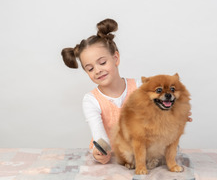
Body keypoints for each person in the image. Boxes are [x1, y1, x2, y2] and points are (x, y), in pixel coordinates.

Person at [61, 18, 192, 164]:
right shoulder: (91, 100)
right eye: (90, 68)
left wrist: (176, 111)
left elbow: (162, 111)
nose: (98, 70)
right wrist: (101, 150)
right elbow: (99, 135)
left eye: (102, 62)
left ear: (115, 58)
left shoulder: (139, 87)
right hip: (116, 156)